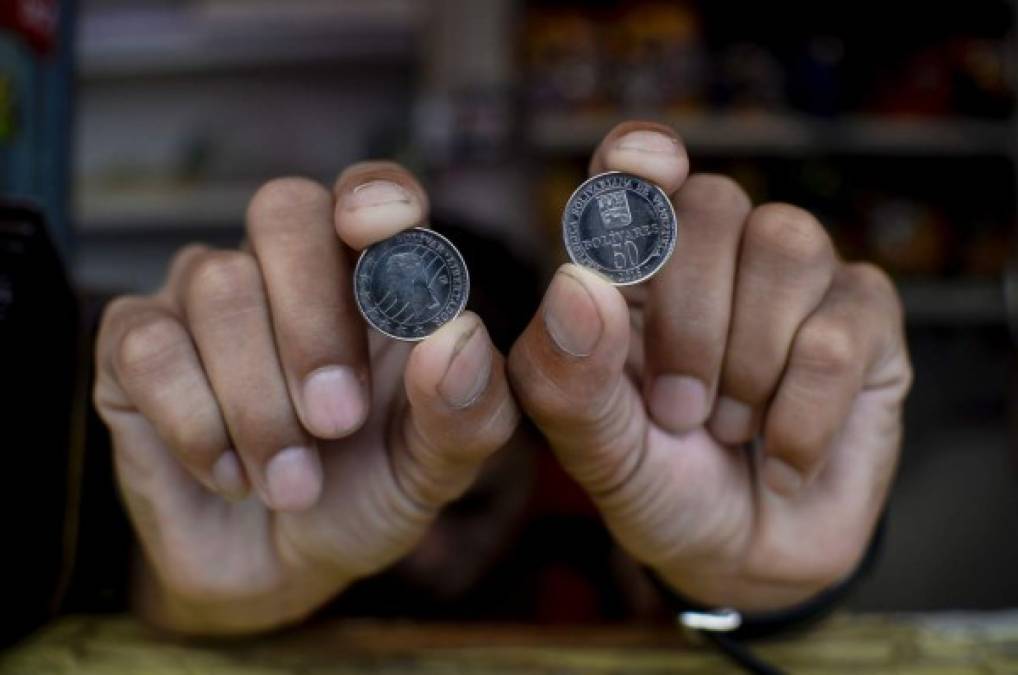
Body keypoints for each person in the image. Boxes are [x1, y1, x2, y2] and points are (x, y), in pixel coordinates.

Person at [92, 121, 911, 635]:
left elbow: (716, 623)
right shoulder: (275, 495)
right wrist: (186, 599)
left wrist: (754, 593)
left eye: (475, 502)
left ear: (539, 461)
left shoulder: (606, 524)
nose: (429, 551)